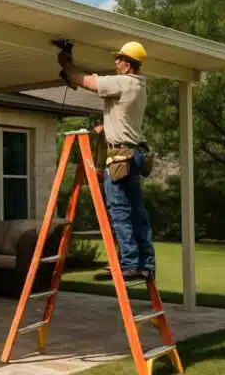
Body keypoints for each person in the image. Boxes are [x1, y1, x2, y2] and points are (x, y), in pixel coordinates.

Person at [56, 41, 156, 281]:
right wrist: (102, 128)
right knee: (137, 212)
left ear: (128, 64)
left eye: (119, 59)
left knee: (120, 210)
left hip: (121, 157)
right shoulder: (140, 86)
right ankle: (146, 265)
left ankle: (129, 264)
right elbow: (121, 117)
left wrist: (66, 64)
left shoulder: (121, 82)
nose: (115, 62)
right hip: (136, 154)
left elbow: (85, 81)